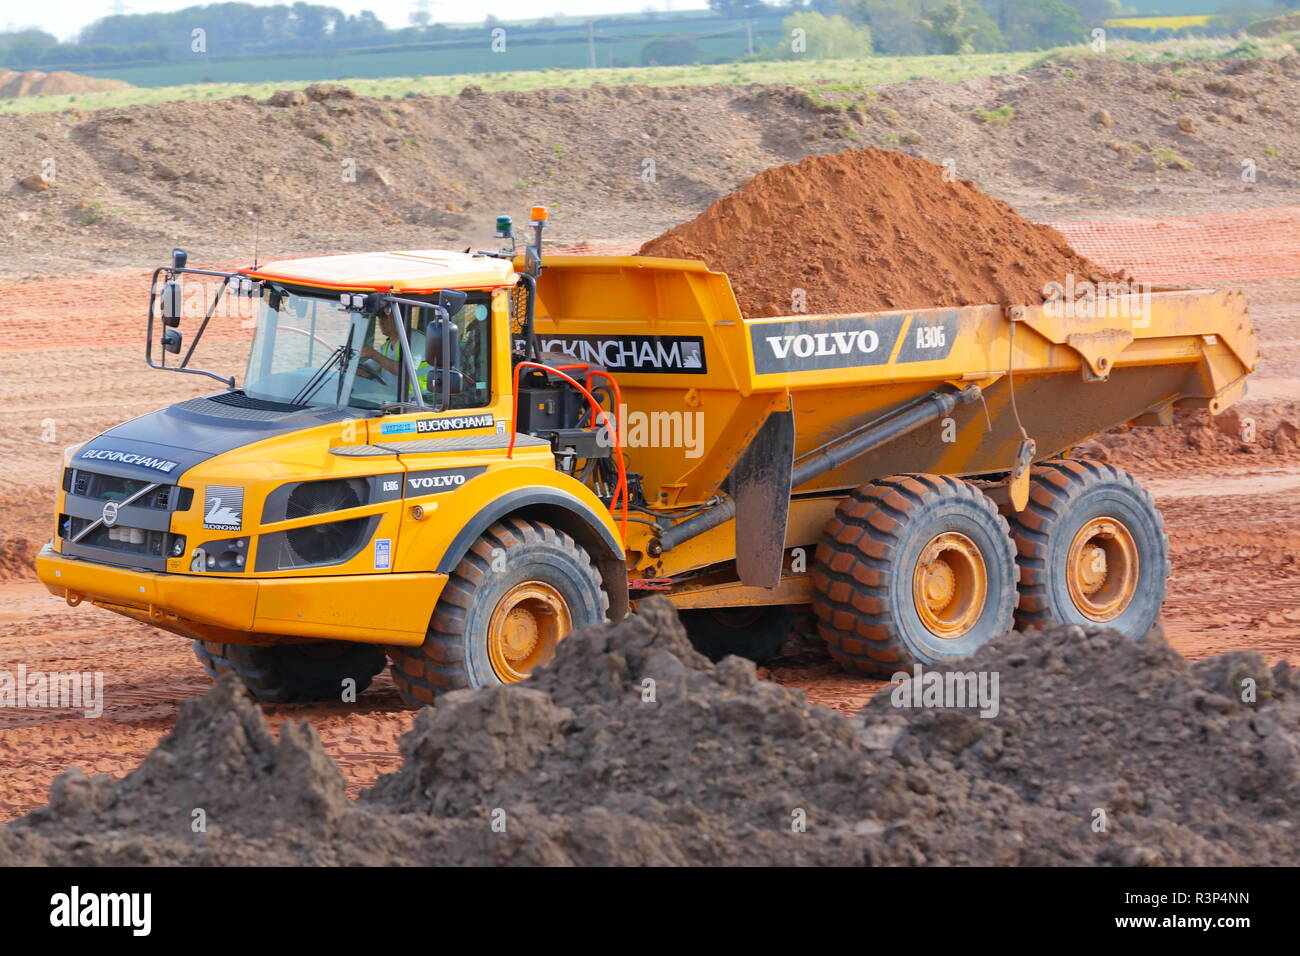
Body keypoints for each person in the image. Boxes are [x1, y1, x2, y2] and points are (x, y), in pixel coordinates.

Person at [358, 311, 428, 396]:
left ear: (399, 319)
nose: (381, 322)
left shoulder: (416, 339)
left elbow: (405, 371)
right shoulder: (386, 346)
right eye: (379, 318)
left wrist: (373, 354)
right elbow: (367, 369)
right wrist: (351, 367)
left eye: (385, 317)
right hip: (392, 400)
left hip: (417, 401)